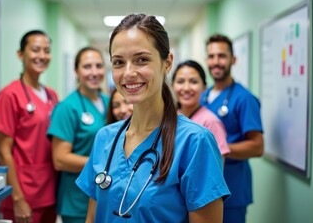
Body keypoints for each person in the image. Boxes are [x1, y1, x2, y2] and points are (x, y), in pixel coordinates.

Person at [76, 13, 230, 223]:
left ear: (167, 63)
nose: (128, 73)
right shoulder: (105, 138)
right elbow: (92, 217)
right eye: (119, 62)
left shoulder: (195, 142)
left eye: (141, 60)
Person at [0, 30, 58, 223]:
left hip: (49, 188)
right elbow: (3, 152)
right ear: (21, 54)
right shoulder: (9, 95)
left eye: (46, 50)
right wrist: (18, 198)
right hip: (24, 191)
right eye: (35, 50)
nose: (42, 56)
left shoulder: (52, 95)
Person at [200, 34, 264, 223]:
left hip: (232, 187)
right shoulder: (203, 97)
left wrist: (219, 150)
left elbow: (257, 146)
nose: (216, 62)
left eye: (222, 56)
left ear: (233, 59)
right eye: (211, 57)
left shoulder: (244, 99)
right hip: (205, 185)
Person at [47, 46, 110, 222]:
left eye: (99, 66)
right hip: (77, 199)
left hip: (105, 195)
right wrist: (105, 165)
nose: (94, 72)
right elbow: (60, 160)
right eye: (87, 66)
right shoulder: (67, 108)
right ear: (76, 71)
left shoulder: (110, 102)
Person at [172, 59, 230, 159]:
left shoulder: (211, 122)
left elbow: (217, 170)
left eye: (193, 82)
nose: (186, 88)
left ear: (204, 87)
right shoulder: (171, 117)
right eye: (180, 81)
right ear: (173, 85)